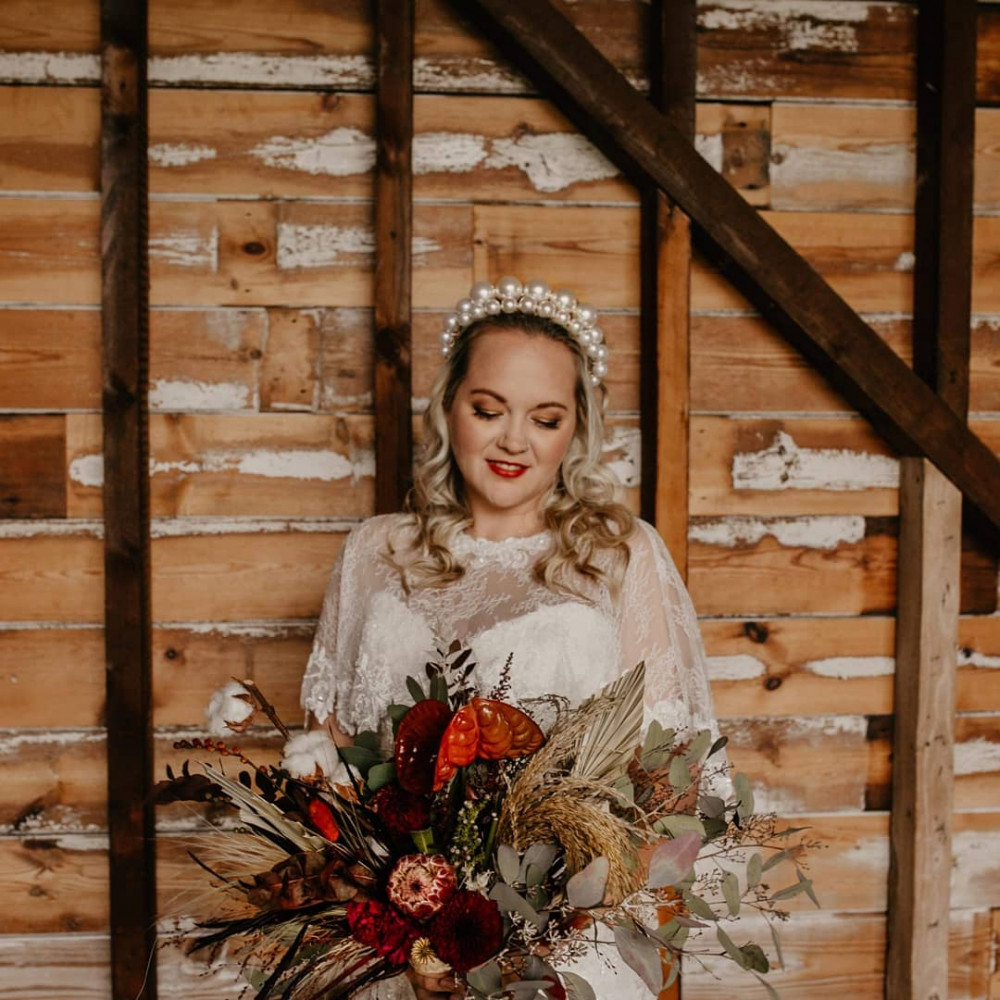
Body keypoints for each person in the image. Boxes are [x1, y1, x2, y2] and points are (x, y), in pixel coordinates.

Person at [294, 277, 727, 999]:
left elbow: (669, 774)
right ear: (449, 409)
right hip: (387, 947)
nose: (514, 441)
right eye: (488, 409)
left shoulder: (621, 555)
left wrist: (556, 934)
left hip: (564, 953)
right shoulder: (373, 553)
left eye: (546, 418)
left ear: (575, 429)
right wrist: (401, 928)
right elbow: (325, 760)